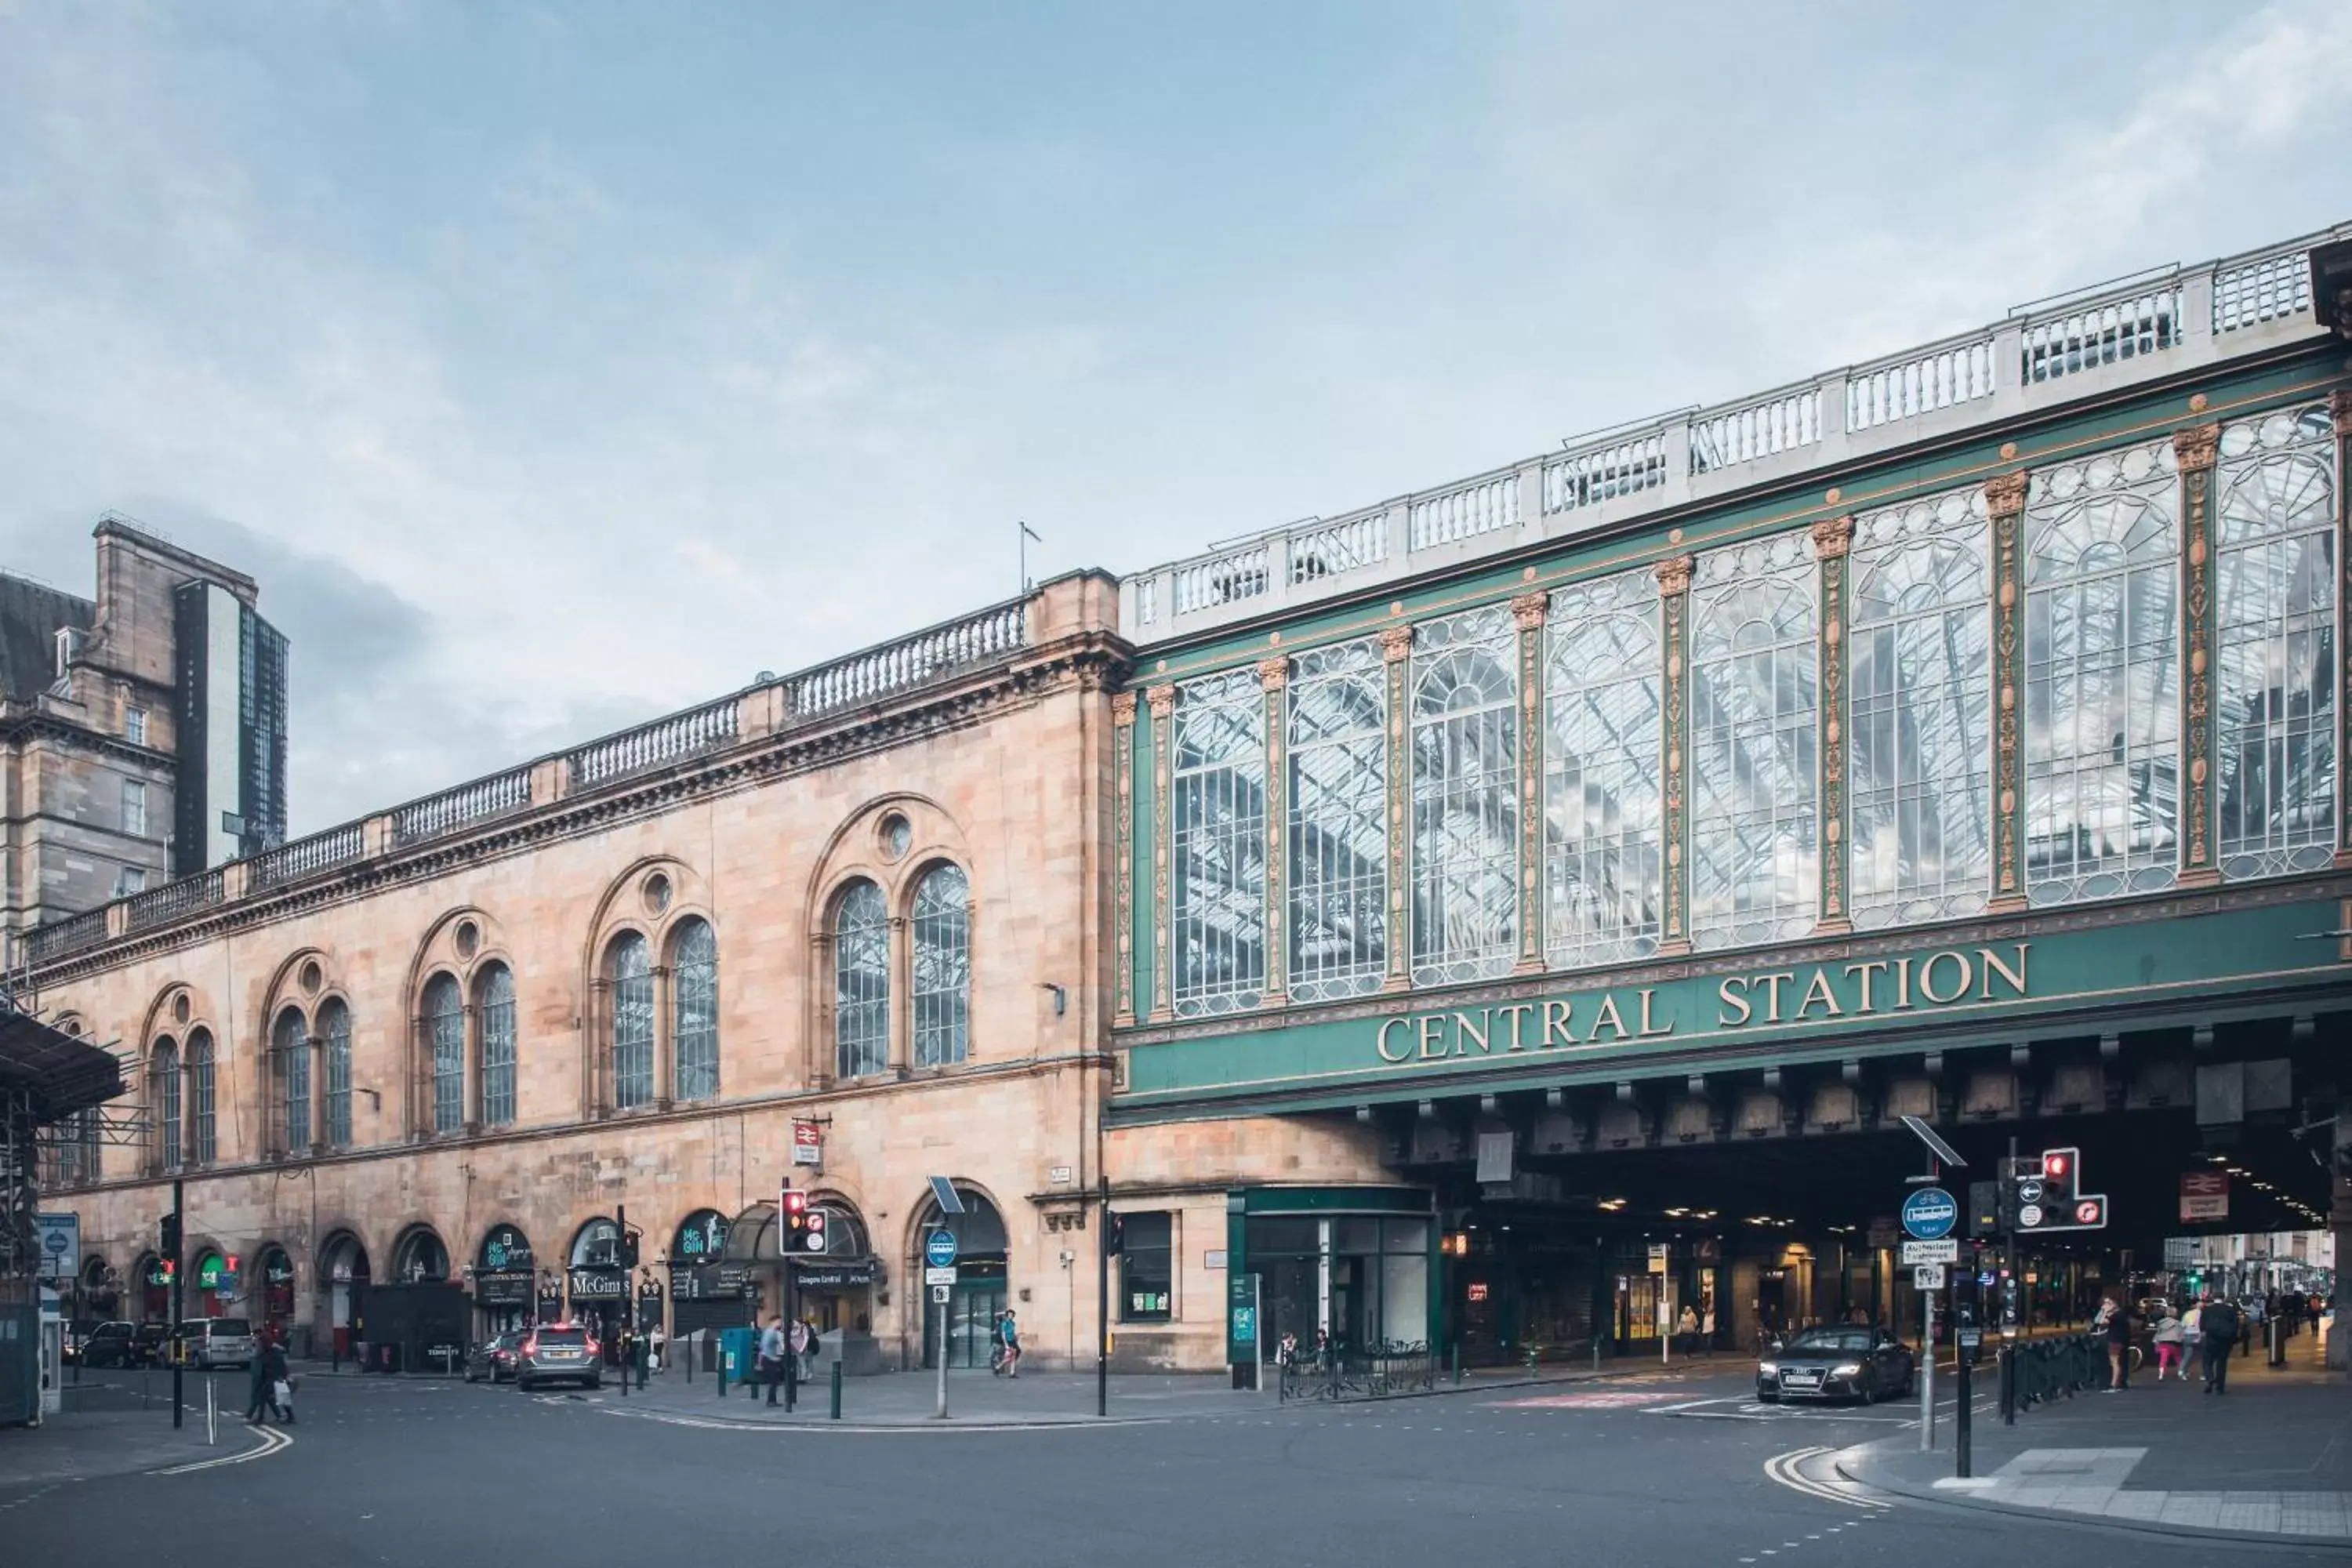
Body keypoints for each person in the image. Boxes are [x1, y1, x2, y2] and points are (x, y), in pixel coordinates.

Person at [2198, 1294, 2239, 1395]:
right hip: (2225, 1340)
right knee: (2222, 1363)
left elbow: (2202, 1326)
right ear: (2224, 1298)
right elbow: (2235, 1326)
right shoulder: (2230, 1310)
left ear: (2213, 1298)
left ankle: (2210, 1378)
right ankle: (2220, 1387)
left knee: (2207, 1362)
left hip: (2211, 1339)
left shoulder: (2207, 1310)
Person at [2099, 1295, 2132, 1391]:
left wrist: (2105, 1311)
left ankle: (2113, 1384)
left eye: (2108, 1303)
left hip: (2115, 1341)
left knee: (2114, 1362)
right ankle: (2119, 1382)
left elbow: (2102, 1322)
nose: (2105, 1305)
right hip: (2119, 1340)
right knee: (2117, 1362)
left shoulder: (2116, 1315)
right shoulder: (2120, 1314)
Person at [759, 1315, 788, 1406]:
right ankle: (771, 1401)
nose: (780, 1324)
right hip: (768, 1360)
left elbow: (763, 1346)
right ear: (774, 1322)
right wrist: (773, 1358)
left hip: (767, 1359)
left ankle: (772, 1401)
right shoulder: (772, 1333)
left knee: (774, 1381)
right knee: (774, 1381)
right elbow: (765, 1346)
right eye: (779, 1322)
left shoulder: (768, 1332)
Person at [2151, 1305, 2184, 1381]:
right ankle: (2181, 1372)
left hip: (2163, 1343)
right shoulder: (2177, 1323)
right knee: (2178, 1358)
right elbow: (2180, 1333)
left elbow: (2158, 1333)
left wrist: (2156, 1342)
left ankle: (2161, 1374)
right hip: (2174, 1343)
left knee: (2163, 1359)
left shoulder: (2161, 1323)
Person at [993, 1308, 1022, 1377]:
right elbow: (1003, 1334)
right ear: (1007, 1315)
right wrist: (1006, 1345)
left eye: (1012, 1315)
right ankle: (998, 1367)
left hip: (1013, 1341)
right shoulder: (1004, 1323)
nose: (1011, 1316)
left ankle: (1011, 1373)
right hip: (1008, 1342)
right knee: (1010, 1357)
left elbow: (1012, 1332)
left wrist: (1016, 1337)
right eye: (1009, 1315)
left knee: (1013, 1357)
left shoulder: (1013, 1323)